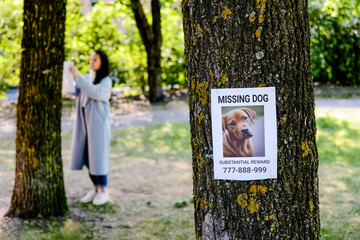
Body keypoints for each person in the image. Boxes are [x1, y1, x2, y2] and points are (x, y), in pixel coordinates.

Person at [69, 50, 112, 205]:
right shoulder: (87, 78)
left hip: (98, 124)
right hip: (85, 124)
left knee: (98, 157)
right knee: (88, 157)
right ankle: (95, 189)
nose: (92, 62)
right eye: (91, 59)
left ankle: (103, 190)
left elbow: (95, 92)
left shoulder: (106, 81)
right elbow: (78, 90)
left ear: (102, 62)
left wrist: (77, 76)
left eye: (95, 60)